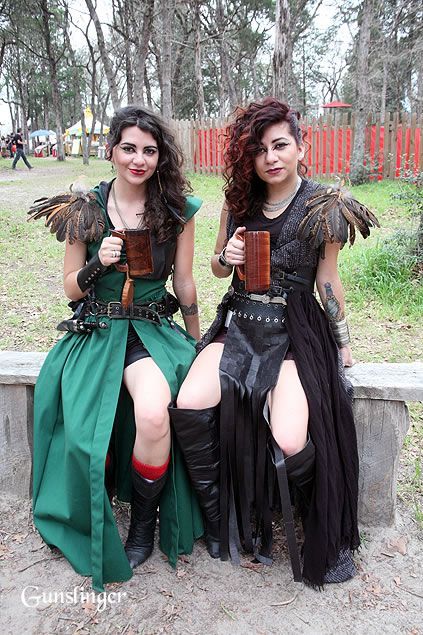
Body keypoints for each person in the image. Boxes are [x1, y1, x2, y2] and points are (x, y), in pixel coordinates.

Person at [174, 98, 378, 588]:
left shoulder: (323, 205)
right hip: (241, 321)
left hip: (293, 333)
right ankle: (219, 519)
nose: (272, 157)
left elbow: (327, 280)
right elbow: (218, 269)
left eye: (281, 145)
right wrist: (228, 254)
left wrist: (342, 343)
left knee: (289, 436)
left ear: (300, 147)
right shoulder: (238, 202)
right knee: (189, 401)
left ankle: (313, 525)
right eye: (261, 149)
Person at [32, 106, 206, 591]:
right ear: (111, 150)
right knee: (88, 430)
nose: (139, 159)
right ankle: (90, 509)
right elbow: (70, 286)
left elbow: (186, 282)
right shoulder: (85, 207)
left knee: (154, 413)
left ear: (159, 156)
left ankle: (145, 526)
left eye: (149, 150)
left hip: (150, 330)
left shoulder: (177, 211)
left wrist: (197, 340)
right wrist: (98, 263)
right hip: (96, 327)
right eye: (129, 148)